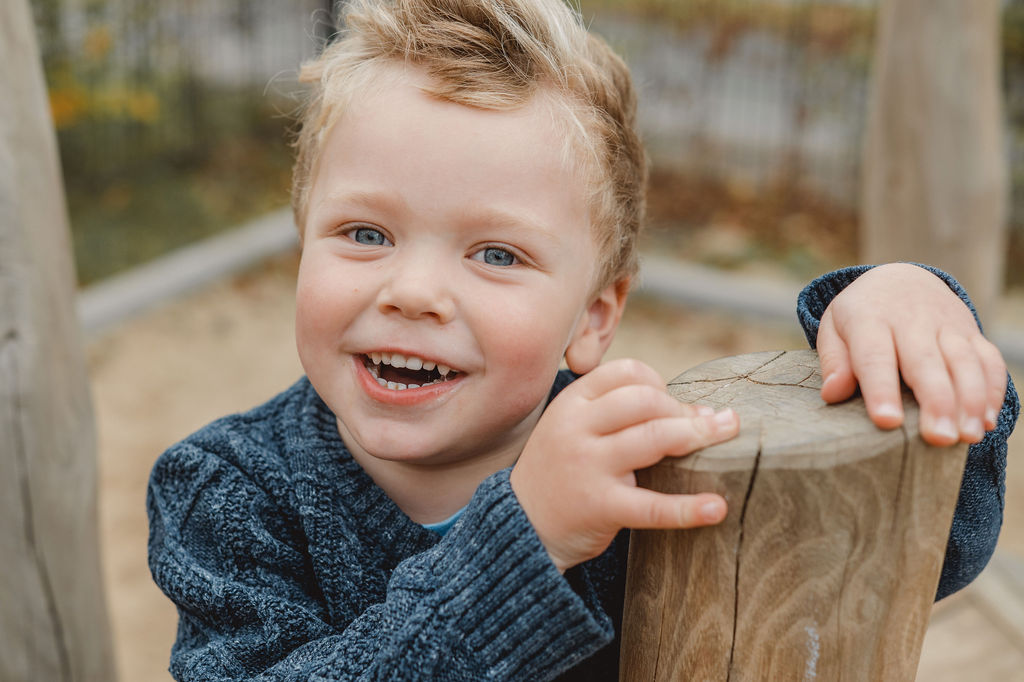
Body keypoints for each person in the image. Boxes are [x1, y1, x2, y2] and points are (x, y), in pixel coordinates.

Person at [146, 0, 1018, 679]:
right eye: (365, 234)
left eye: (496, 253)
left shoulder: (641, 467)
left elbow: (909, 560)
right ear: (304, 242)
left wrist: (916, 340)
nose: (411, 292)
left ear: (595, 316)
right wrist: (524, 542)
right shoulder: (225, 497)